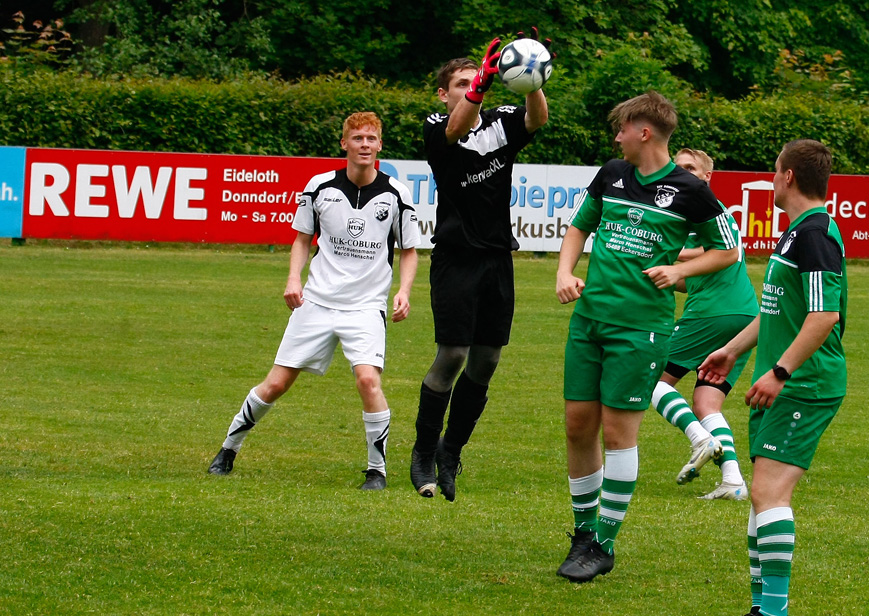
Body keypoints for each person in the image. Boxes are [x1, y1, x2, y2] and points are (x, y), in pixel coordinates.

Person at [554, 92, 740, 583]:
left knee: (618, 433)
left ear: (644, 131)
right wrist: (564, 273)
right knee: (577, 425)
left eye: (622, 127)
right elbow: (579, 227)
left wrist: (680, 270)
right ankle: (581, 532)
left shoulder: (689, 190)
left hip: (641, 328)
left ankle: (604, 544)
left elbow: (728, 251)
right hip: (590, 319)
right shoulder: (612, 173)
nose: (616, 136)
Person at [207, 111, 420, 490]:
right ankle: (228, 449)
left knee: (368, 380)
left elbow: (409, 250)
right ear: (344, 144)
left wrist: (403, 291)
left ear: (380, 145)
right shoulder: (319, 187)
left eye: (372, 139)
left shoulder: (396, 194)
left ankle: (377, 471)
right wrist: (293, 278)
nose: (365, 145)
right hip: (318, 302)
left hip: (366, 307)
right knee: (275, 385)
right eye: (358, 139)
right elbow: (302, 239)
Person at [701, 139, 847, 616]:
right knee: (761, 498)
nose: (770, 181)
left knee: (768, 493)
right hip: (782, 385)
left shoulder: (816, 235)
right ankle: (762, 611)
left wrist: (780, 372)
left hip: (803, 386)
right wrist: (733, 351)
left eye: (773, 173)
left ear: (787, 177)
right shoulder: (796, 233)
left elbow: (823, 316)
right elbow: (776, 312)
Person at [409, 31, 549, 502]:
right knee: (452, 354)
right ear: (444, 93)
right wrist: (482, 85)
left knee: (487, 359)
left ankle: (452, 451)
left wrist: (532, 78)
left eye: (476, 78)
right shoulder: (436, 125)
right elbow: (455, 130)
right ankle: (423, 452)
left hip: (496, 258)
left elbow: (537, 118)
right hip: (454, 258)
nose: (472, 86)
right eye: (462, 83)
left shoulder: (501, 119)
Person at [649, 148, 759, 499]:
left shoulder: (710, 209)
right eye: (677, 167)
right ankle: (732, 481)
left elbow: (731, 250)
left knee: (648, 377)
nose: (682, 172)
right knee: (706, 403)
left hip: (713, 313)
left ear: (707, 176)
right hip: (743, 316)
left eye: (690, 168)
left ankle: (700, 440)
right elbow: (692, 279)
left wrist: (669, 252)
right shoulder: (686, 216)